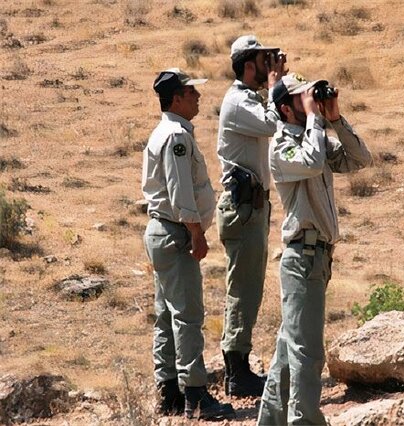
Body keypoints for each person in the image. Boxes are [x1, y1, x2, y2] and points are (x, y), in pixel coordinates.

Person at [257, 73, 373, 425]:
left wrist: (334, 118)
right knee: (307, 354)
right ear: (286, 109)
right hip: (302, 258)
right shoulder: (282, 146)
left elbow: (359, 159)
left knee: (288, 353)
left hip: (317, 258)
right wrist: (314, 120)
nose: (310, 101)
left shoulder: (316, 137)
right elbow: (309, 162)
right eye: (301, 98)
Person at [142, 68, 235, 421]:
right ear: (177, 98)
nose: (197, 96)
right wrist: (196, 232)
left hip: (162, 231)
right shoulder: (176, 136)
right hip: (175, 232)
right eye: (191, 91)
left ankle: (168, 392)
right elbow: (181, 191)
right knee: (188, 316)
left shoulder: (163, 131)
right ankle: (195, 395)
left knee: (166, 315)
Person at [216, 34, 287, 398]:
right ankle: (237, 372)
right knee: (243, 290)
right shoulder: (238, 103)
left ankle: (238, 366)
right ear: (247, 65)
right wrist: (276, 87)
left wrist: (277, 85)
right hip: (242, 209)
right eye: (263, 60)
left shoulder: (249, 100)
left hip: (251, 207)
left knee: (249, 288)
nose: (268, 66)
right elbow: (274, 123)